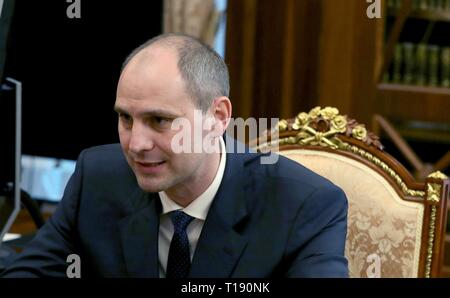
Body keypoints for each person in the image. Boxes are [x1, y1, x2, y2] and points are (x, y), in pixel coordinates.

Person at [1, 33, 348, 278]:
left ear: (218, 118)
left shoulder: (303, 204)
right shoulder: (97, 177)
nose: (136, 144)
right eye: (125, 118)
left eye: (159, 120)